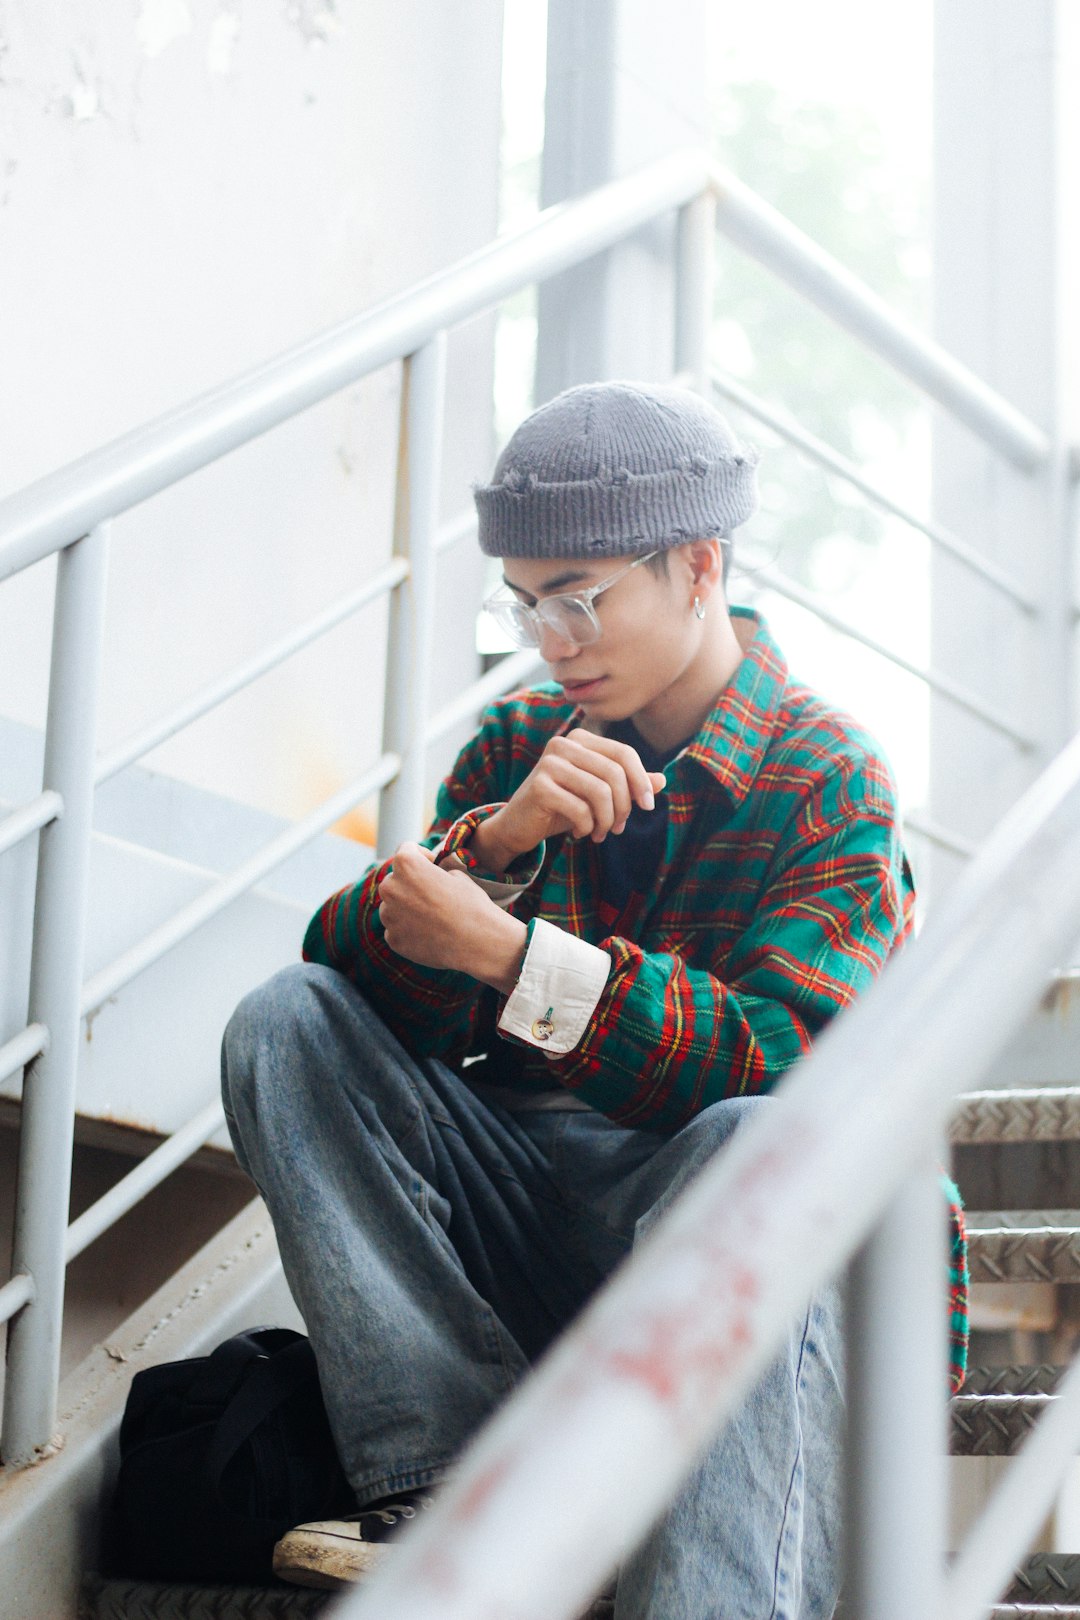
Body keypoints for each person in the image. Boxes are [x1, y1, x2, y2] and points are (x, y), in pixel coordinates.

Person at [221, 381, 967, 1619]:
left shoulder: (830, 775)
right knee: (284, 1018)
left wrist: (519, 962)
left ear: (698, 565)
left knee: (750, 1140)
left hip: (762, 1280)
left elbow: (780, 1067)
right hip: (542, 1233)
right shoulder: (518, 747)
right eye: (523, 604)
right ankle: (453, 1487)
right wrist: (497, 851)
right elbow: (348, 999)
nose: (551, 638)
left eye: (578, 597)